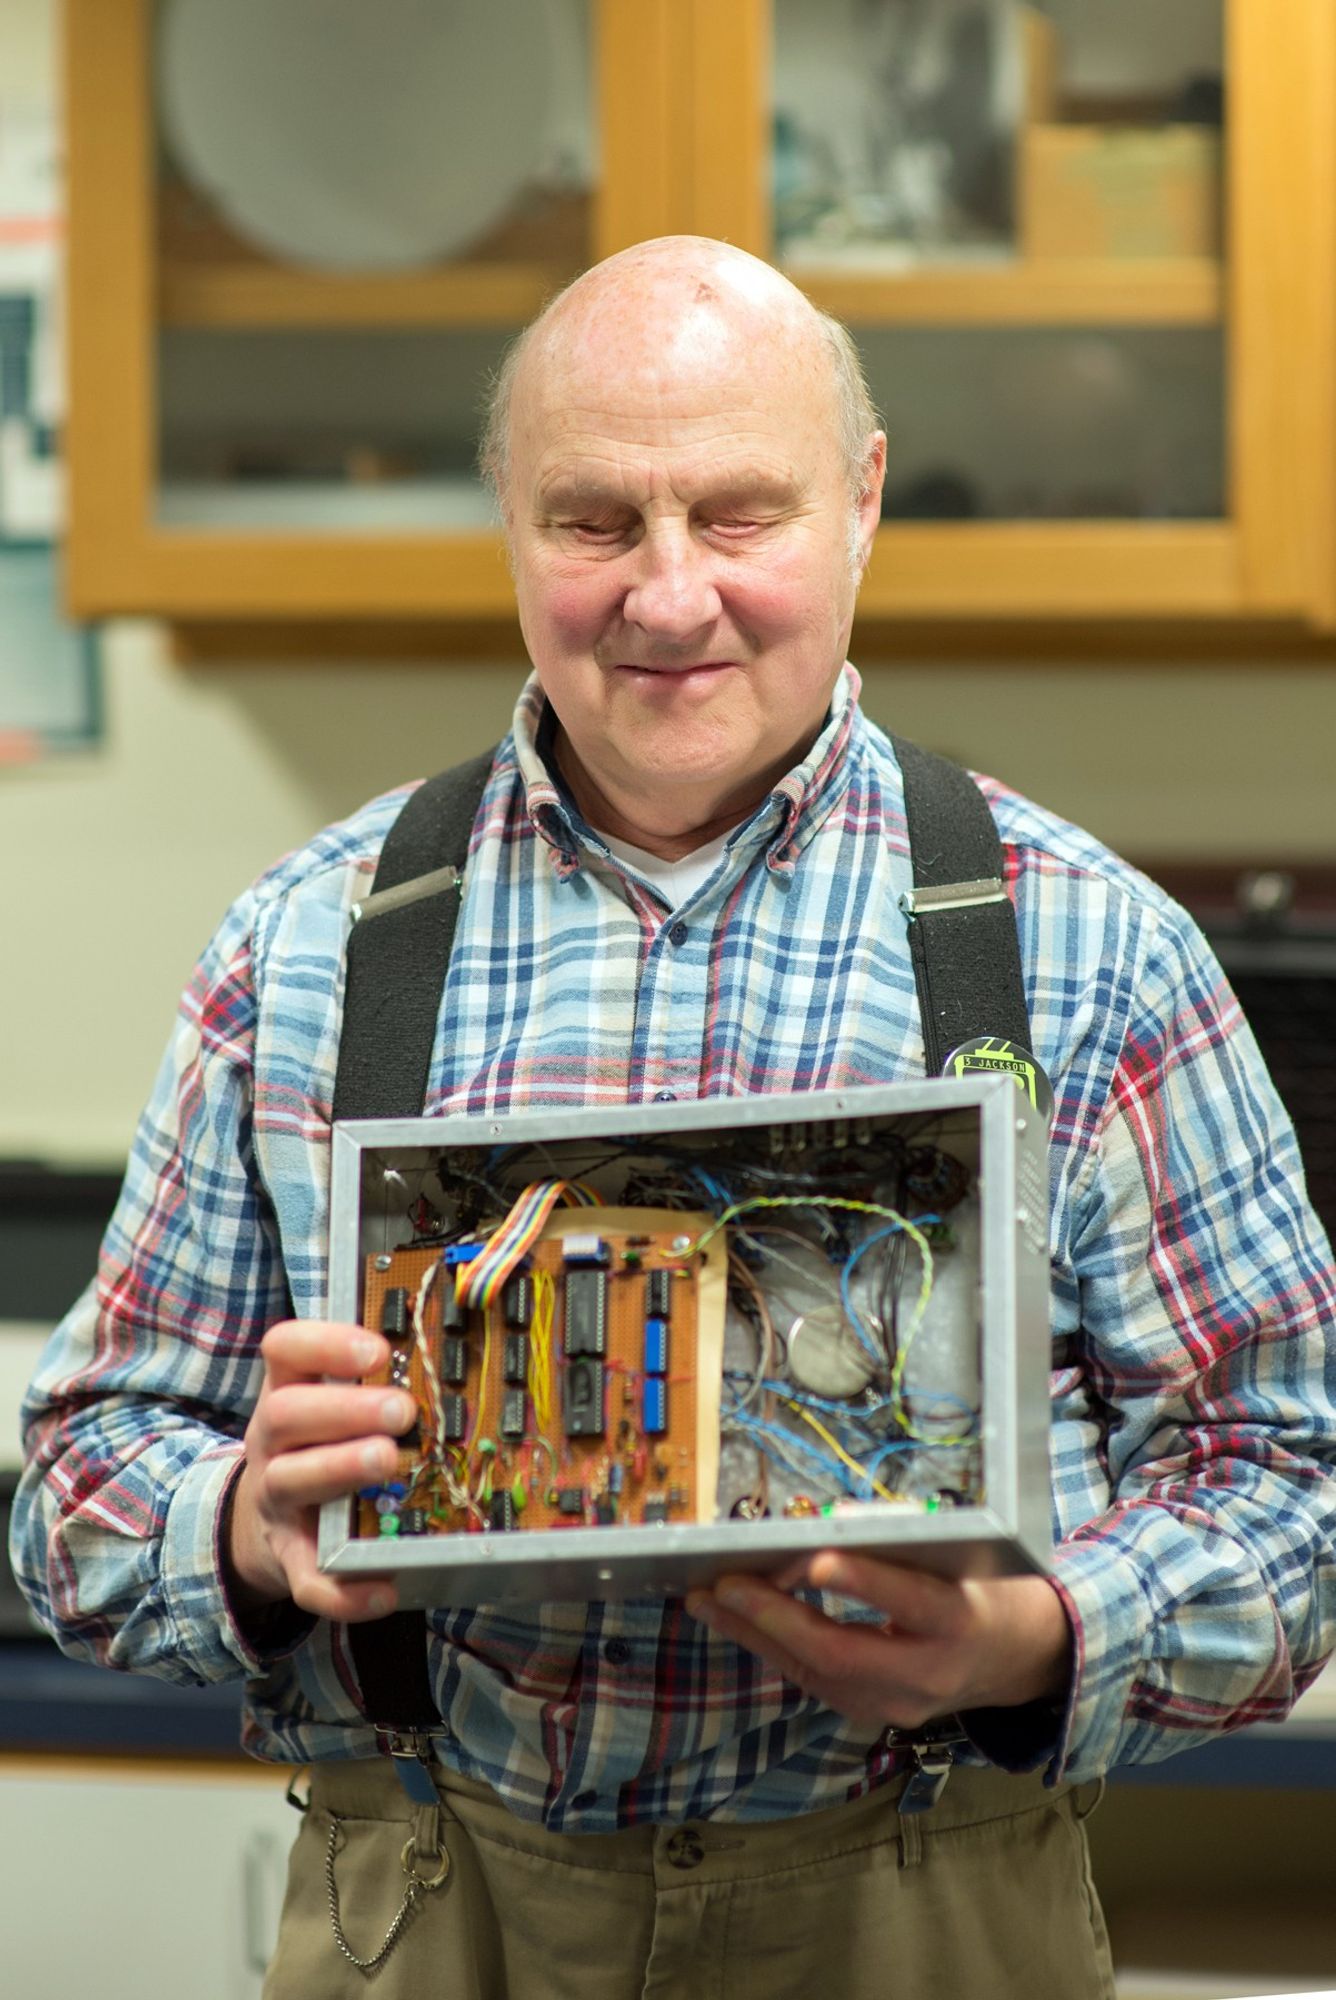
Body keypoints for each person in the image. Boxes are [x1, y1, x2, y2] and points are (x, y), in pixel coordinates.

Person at [13, 236, 1336, 2000]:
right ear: (508, 519)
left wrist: (1025, 1641)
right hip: (427, 1897)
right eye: (592, 522)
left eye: (735, 515)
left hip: (921, 1901)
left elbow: (1294, 1480)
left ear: (860, 505)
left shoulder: (1089, 954)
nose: (664, 594)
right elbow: (79, 1479)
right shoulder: (309, 951)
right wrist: (249, 1529)